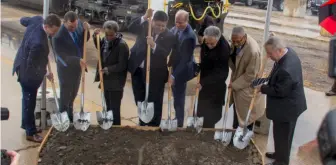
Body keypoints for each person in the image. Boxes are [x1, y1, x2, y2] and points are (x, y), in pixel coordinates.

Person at [255, 36, 307, 165]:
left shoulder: (286, 70)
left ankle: (281, 162)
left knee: (283, 136)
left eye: (269, 53)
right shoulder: (288, 52)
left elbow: (280, 91)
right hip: (290, 104)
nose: (268, 56)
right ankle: (280, 153)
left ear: (278, 50)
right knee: (281, 135)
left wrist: (262, 88)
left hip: (287, 109)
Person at [12, 14, 61, 143]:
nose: (54, 34)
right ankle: (30, 132)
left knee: (27, 100)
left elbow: (23, 20)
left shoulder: (37, 20)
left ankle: (27, 124)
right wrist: (45, 73)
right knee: (30, 102)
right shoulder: (38, 43)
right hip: (27, 72)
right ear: (46, 26)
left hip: (22, 62)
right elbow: (32, 65)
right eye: (54, 31)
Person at [128, 9, 175, 126]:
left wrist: (154, 45)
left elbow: (165, 53)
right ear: (153, 21)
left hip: (156, 74)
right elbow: (131, 27)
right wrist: (144, 16)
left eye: (163, 25)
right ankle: (142, 121)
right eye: (158, 24)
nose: (161, 28)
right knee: (139, 97)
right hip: (138, 70)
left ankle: (154, 125)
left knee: (155, 100)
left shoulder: (169, 36)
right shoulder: (145, 26)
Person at [52, 11, 90, 123]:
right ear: (64, 22)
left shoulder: (77, 26)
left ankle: (70, 117)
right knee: (65, 97)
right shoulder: (58, 37)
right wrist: (77, 60)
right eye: (71, 27)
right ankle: (62, 120)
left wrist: (86, 31)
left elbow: (83, 40)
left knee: (73, 94)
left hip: (78, 69)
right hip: (66, 70)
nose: (73, 28)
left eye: (75, 26)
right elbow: (62, 56)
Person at [228, 26, 265, 134]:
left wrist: (234, 85)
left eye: (237, 41)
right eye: (233, 41)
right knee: (236, 113)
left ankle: (243, 139)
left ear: (244, 38)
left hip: (247, 88)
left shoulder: (253, 51)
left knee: (246, 116)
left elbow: (250, 76)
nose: (234, 44)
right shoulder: (236, 41)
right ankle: (235, 134)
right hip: (239, 84)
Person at [92, 20, 129, 125]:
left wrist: (108, 69)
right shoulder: (105, 40)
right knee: (107, 105)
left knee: (114, 108)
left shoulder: (122, 45)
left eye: (111, 35)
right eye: (106, 34)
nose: (108, 37)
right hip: (106, 80)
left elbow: (122, 65)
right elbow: (99, 47)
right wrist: (95, 36)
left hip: (116, 82)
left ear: (116, 33)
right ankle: (108, 125)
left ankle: (116, 128)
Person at [196, 26, 230, 128]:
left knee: (211, 116)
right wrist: (198, 67)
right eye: (207, 43)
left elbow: (221, 73)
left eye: (212, 44)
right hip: (204, 83)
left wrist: (203, 82)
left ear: (218, 39)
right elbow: (204, 58)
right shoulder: (206, 42)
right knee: (200, 111)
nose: (209, 45)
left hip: (216, 87)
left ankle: (208, 134)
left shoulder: (224, 50)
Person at [168, 10, 196, 127]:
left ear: (187, 21)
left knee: (179, 96)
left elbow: (185, 60)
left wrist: (174, 75)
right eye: (176, 22)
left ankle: (179, 122)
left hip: (183, 69)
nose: (177, 25)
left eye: (180, 23)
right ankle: (176, 117)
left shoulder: (189, 37)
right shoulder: (175, 28)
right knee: (175, 93)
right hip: (175, 64)